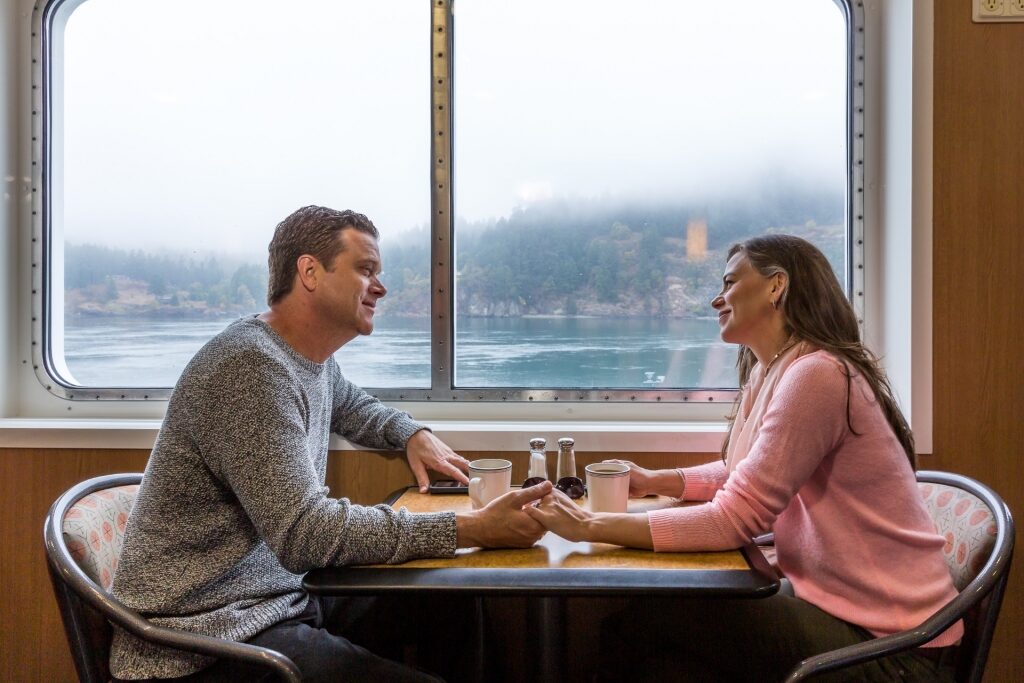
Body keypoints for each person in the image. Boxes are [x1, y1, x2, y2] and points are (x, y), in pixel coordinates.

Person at [109, 205, 552, 682]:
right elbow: (305, 532)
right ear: (310, 272)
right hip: (201, 641)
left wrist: (410, 433)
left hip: (274, 600)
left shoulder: (306, 359)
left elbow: (352, 406)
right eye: (365, 270)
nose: (380, 287)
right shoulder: (249, 368)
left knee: (451, 603)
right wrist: (470, 528)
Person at [525, 234, 960, 682]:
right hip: (844, 614)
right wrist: (654, 480)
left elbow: (735, 517)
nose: (717, 298)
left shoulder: (818, 376)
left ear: (776, 287)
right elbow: (743, 475)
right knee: (657, 654)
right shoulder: (773, 370)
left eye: (730, 281)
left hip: (895, 650)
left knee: (647, 620)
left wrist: (587, 527)